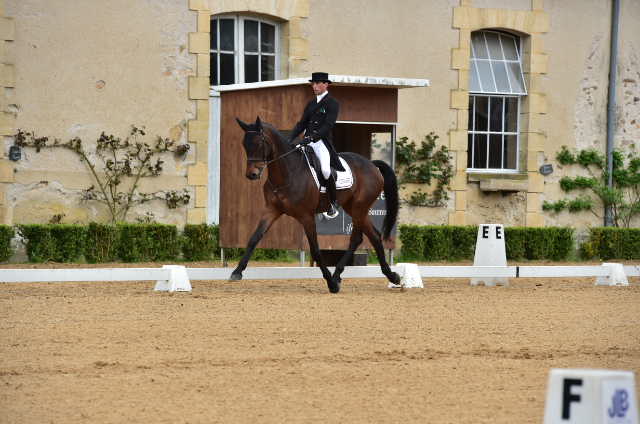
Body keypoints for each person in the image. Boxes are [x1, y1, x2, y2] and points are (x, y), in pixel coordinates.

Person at [289, 72, 345, 218]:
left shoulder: (332, 103)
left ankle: (332, 203)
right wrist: (290, 139)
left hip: (321, 142)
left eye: (318, 83)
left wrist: (311, 138)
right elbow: (302, 124)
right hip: (306, 140)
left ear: (326, 84)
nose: (315, 86)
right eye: (313, 84)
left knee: (326, 170)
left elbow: (327, 126)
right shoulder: (311, 103)